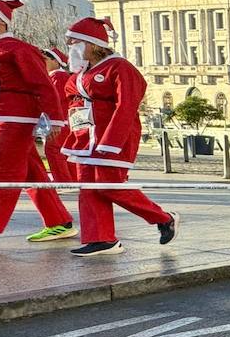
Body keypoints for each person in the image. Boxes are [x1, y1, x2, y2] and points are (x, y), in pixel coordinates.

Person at [59, 16, 178, 256]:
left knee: (110, 185)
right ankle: (101, 239)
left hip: (112, 138)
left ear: (92, 44)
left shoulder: (120, 67)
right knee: (88, 188)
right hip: (86, 136)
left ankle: (163, 218)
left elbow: (126, 105)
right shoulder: (84, 71)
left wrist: (112, 141)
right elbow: (71, 95)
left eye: (75, 41)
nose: (70, 45)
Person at [0, 0, 76, 249]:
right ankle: (59, 222)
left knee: (0, 171)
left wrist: (55, 119)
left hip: (16, 119)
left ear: (2, 22)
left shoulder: (17, 49)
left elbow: (43, 85)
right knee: (31, 172)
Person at [40, 46, 76, 184]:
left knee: (53, 150)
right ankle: (71, 180)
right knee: (64, 151)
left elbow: (55, 100)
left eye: (45, 59)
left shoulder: (57, 76)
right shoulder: (59, 76)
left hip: (58, 121)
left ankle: (63, 181)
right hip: (61, 121)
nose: (43, 62)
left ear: (55, 61)